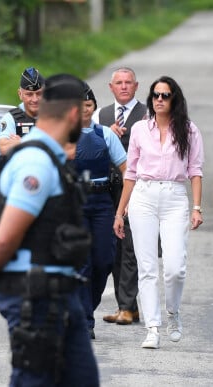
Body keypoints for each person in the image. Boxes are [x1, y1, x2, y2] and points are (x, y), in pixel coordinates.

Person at [0, 74, 99, 386]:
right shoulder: (36, 162)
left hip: (59, 292)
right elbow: (9, 234)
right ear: (74, 114)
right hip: (37, 297)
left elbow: (30, 232)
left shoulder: (49, 156)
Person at [113, 75, 204, 349]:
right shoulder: (141, 130)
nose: (160, 100)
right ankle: (152, 327)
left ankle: (173, 313)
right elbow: (130, 172)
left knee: (175, 267)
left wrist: (197, 207)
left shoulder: (188, 130)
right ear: (151, 100)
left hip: (175, 196)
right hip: (143, 195)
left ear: (174, 98)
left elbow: (196, 171)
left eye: (165, 95)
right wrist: (120, 212)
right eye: (156, 95)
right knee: (147, 266)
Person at [93, 67, 148, 325]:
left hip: (136, 187)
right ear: (111, 87)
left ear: (136, 86)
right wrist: (106, 135)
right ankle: (125, 305)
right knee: (113, 247)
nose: (124, 86)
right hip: (107, 188)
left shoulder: (147, 114)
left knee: (130, 246)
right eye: (119, 83)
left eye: (129, 83)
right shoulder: (99, 115)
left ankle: (128, 305)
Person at [74, 82, 127, 339]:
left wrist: (126, 204)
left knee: (104, 261)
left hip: (102, 201)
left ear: (93, 107)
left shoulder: (105, 134)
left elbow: (128, 170)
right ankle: (85, 322)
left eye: (88, 105)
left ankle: (86, 308)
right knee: (81, 264)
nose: (84, 110)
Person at [0, 67, 44, 155]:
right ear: (20, 94)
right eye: (29, 94)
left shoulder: (54, 115)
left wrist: (21, 142)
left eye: (39, 93)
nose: (35, 99)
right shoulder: (11, 118)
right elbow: (4, 148)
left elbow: (67, 148)